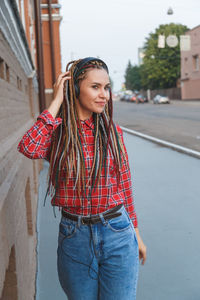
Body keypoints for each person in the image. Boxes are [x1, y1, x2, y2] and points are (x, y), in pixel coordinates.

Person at [18, 57, 146, 300]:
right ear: (74, 89)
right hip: (74, 236)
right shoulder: (57, 134)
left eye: (106, 87)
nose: (104, 95)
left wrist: (136, 233)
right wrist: (56, 101)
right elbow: (29, 147)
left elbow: (125, 185)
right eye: (95, 87)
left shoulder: (113, 132)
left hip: (117, 231)